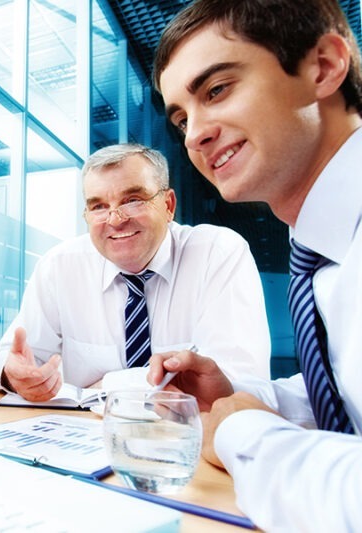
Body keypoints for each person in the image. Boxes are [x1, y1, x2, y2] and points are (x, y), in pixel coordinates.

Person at [152, 0, 362, 530]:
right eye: (181, 117)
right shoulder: (321, 247)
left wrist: (247, 435)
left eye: (217, 90)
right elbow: (348, 392)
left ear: (323, 67)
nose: (194, 135)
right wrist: (236, 399)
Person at [0, 143, 270, 402]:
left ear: (168, 206)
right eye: (98, 206)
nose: (115, 219)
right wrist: (14, 374)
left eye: (133, 200)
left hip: (188, 440)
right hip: (84, 439)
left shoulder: (217, 253)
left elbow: (235, 380)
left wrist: (107, 386)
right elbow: (11, 357)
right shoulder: (60, 265)